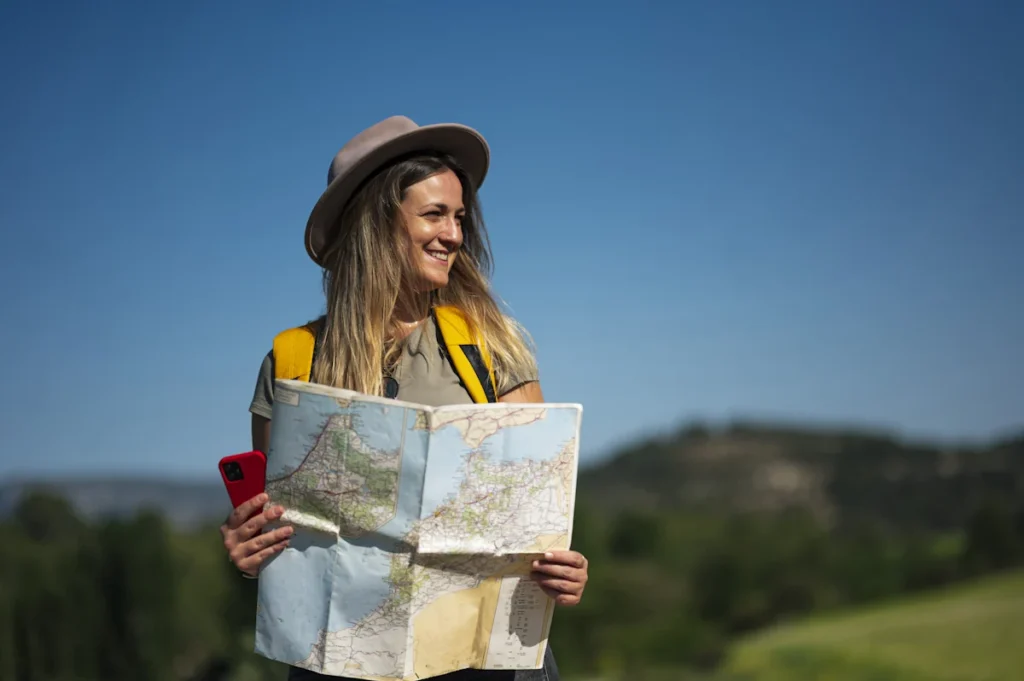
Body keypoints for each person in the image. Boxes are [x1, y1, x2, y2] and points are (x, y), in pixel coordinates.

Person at [218, 115, 589, 680]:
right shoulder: (294, 362)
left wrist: (566, 569)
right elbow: (281, 530)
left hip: (485, 666)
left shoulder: (492, 349)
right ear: (374, 222)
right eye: (434, 214)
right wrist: (250, 555)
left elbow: (537, 526)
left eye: (459, 217)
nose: (455, 236)